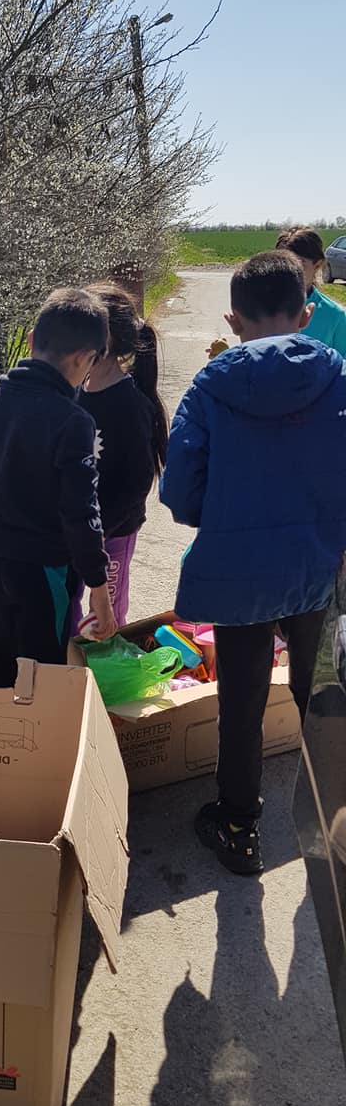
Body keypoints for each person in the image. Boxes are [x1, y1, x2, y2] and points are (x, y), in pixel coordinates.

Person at [160, 250, 346, 875]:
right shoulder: (341, 377)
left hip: (238, 570)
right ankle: (333, 817)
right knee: (322, 693)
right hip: (320, 568)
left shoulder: (211, 387)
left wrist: (227, 515)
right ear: (306, 312)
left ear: (234, 320)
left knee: (241, 702)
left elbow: (180, 491)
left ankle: (239, 827)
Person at [0, 287, 116, 687]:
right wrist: (98, 586)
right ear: (84, 359)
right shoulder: (73, 421)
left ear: (30, 341)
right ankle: (35, 728)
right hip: (44, 563)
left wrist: (7, 494)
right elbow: (81, 512)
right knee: (44, 666)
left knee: (3, 651)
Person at [69, 281, 168, 632]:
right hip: (73, 529)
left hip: (113, 532)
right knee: (66, 608)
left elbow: (136, 484)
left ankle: (108, 668)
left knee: (106, 619)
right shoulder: (74, 391)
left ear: (106, 340)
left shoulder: (131, 405)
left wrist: (99, 531)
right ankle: (69, 664)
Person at [275, 226, 346, 356]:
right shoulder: (262, 307)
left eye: (299, 264)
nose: (289, 271)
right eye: (283, 263)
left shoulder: (334, 315)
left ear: (317, 265)